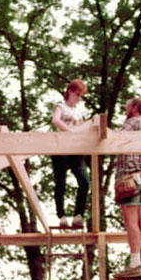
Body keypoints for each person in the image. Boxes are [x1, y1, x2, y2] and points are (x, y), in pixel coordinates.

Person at [114, 97, 141, 279]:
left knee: (130, 221)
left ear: (135, 108)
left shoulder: (131, 123)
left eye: (127, 105)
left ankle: (135, 263)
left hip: (130, 178)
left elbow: (116, 139)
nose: (125, 108)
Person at [51, 79, 90, 229]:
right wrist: (70, 132)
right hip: (60, 148)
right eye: (78, 95)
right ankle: (61, 216)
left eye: (81, 96)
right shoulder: (61, 106)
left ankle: (78, 214)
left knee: (84, 181)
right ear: (70, 92)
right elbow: (55, 120)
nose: (79, 98)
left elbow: (82, 128)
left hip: (76, 150)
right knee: (61, 183)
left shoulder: (79, 111)